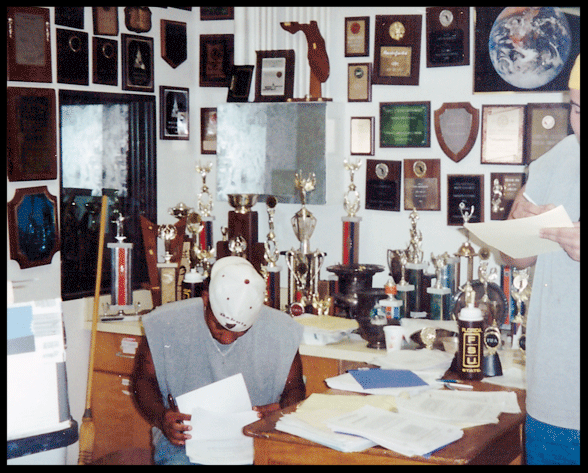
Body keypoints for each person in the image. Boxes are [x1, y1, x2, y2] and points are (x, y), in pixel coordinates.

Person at [131, 256, 306, 465]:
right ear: (206, 300)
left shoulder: (281, 330)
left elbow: (294, 387)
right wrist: (162, 417)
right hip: (184, 440)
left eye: (241, 332)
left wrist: (282, 411)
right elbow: (143, 380)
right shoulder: (165, 322)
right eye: (218, 326)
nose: (227, 338)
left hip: (256, 438)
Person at [501, 55, 580, 465]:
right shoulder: (556, 159)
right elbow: (513, 257)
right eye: (577, 108)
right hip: (551, 397)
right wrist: (519, 228)